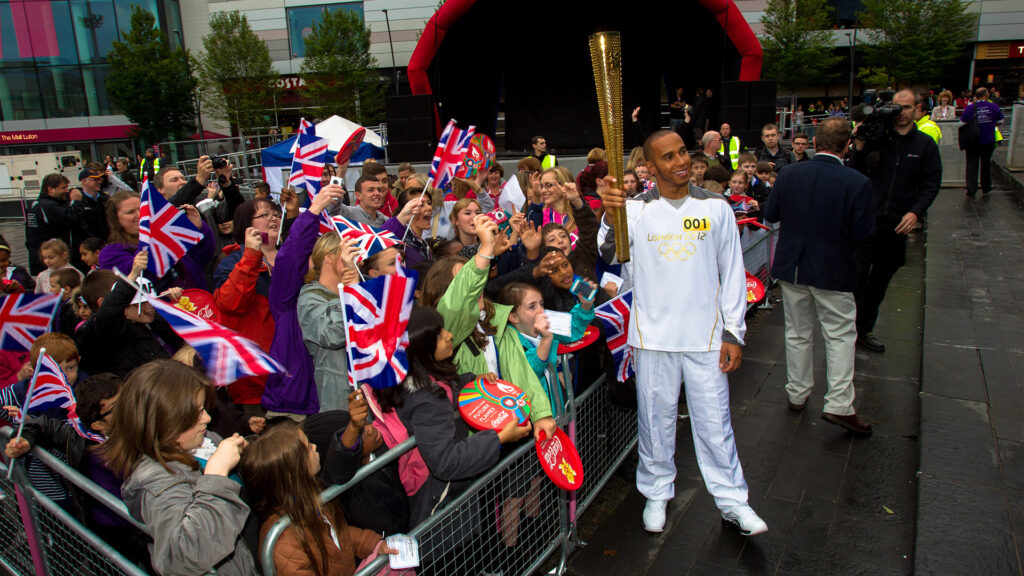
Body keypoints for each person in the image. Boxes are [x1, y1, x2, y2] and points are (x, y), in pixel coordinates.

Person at [598, 129, 767, 536]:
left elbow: (731, 273)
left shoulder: (716, 207)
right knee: (655, 421)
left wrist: (733, 332)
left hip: (706, 337)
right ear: (651, 168)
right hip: (653, 337)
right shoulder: (634, 210)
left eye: (682, 155)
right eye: (668, 158)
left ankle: (733, 502)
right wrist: (609, 214)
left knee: (715, 423)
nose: (680, 163)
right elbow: (609, 253)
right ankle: (657, 491)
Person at [764, 118, 875, 436]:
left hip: (792, 266)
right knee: (839, 334)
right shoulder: (856, 182)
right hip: (833, 269)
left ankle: (797, 393)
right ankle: (839, 404)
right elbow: (864, 233)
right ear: (846, 145)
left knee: (797, 332)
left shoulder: (789, 173)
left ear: (815, 143)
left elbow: (771, 214)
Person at [99, 360, 255, 576]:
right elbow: (182, 557)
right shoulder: (157, 483)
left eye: (204, 409)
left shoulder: (203, 441)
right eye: (197, 413)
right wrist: (217, 474)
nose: (208, 419)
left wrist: (246, 454)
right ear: (164, 422)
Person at [242, 420, 397, 576]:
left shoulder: (310, 498)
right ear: (294, 472)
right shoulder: (283, 544)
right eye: (308, 447)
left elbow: (341, 534)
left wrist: (375, 544)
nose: (314, 446)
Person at [850, 89, 941, 352]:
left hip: (896, 225)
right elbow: (855, 173)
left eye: (907, 107)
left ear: (917, 109)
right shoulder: (878, 139)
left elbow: (931, 183)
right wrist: (859, 146)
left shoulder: (924, 145)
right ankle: (848, 328)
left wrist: (916, 212)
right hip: (867, 221)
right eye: (897, 107)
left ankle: (864, 328)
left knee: (880, 279)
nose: (901, 113)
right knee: (857, 277)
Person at [213, 198, 282, 409]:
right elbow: (231, 303)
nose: (273, 218)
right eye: (264, 215)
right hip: (255, 378)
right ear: (246, 225)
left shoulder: (289, 255)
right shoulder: (232, 262)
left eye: (275, 214)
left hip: (292, 369)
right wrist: (251, 256)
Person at [98, 190, 215, 292]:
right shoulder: (110, 253)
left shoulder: (167, 234)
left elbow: (203, 257)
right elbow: (143, 275)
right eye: (130, 212)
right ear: (116, 219)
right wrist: (151, 240)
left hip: (198, 301)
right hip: (160, 312)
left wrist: (199, 229)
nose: (140, 215)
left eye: (142, 209)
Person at [25, 173, 82, 275]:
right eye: (63, 188)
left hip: (39, 258)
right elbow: (73, 219)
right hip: (52, 261)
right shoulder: (49, 206)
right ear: (50, 189)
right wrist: (76, 202)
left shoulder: (35, 204)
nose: (66, 191)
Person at [961, 86, 1005, 198]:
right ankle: (986, 186)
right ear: (986, 95)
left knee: (971, 164)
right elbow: (1000, 120)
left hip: (973, 141)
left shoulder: (970, 108)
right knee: (986, 164)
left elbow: (961, 122)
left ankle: (971, 188)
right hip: (988, 139)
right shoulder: (993, 106)